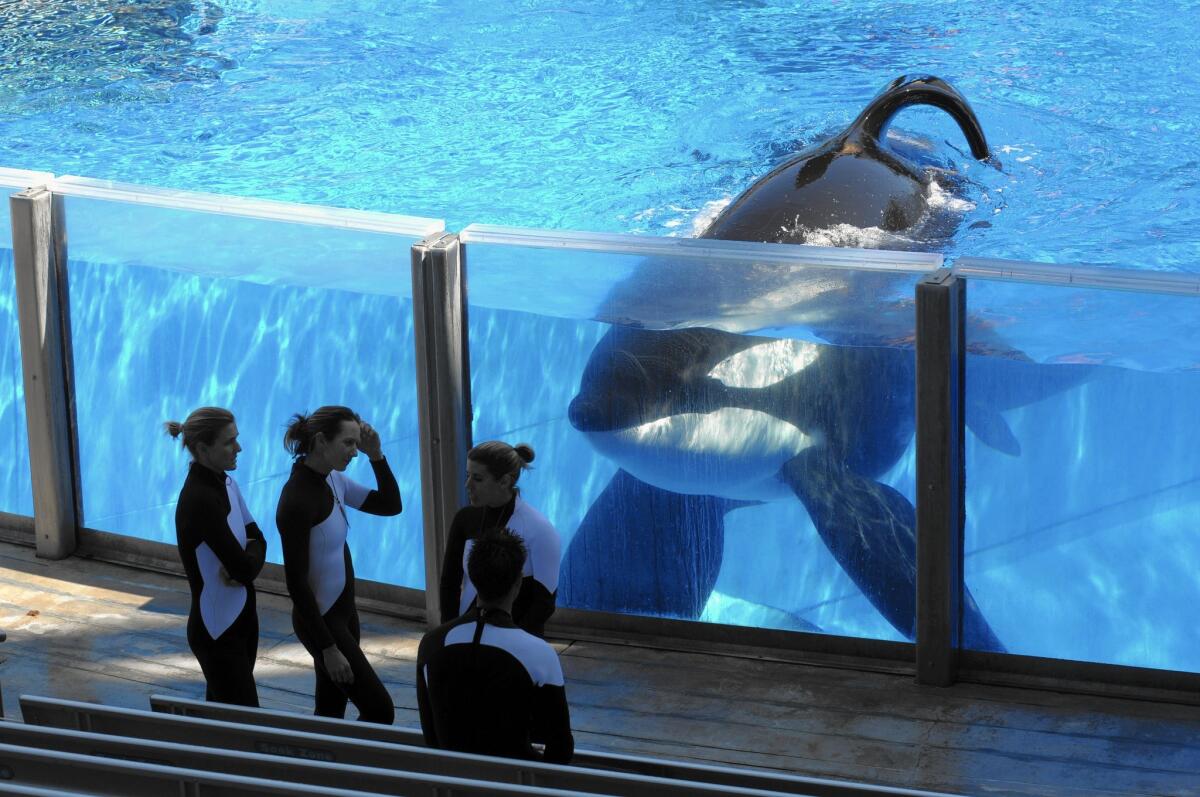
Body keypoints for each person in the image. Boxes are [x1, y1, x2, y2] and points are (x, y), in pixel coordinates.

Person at [276, 405, 401, 723]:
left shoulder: (334, 481)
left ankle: (324, 770)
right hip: (322, 623)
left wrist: (378, 456)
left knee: (330, 710)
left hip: (345, 615)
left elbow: (390, 505)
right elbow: (296, 583)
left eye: (357, 444)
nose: (355, 452)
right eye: (349, 443)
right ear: (320, 441)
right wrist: (328, 648)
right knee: (379, 709)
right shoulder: (297, 500)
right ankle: (353, 773)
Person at [418, 529, 573, 763]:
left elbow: (431, 735)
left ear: (471, 576)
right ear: (518, 583)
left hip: (451, 781)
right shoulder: (540, 654)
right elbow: (560, 748)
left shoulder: (431, 643)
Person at [167, 406, 266, 707]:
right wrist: (247, 562)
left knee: (225, 726)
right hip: (218, 632)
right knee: (245, 729)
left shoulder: (226, 482)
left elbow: (257, 539)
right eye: (228, 442)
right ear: (202, 448)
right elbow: (244, 567)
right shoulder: (200, 499)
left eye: (236, 439)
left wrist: (248, 560)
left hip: (242, 620)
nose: (239, 448)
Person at [439, 441, 561, 637]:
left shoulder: (540, 529)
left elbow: (544, 604)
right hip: (467, 635)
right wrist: (449, 633)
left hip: (518, 642)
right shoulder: (465, 519)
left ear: (504, 481)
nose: (467, 485)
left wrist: (508, 643)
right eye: (468, 475)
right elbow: (449, 583)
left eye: (477, 478)